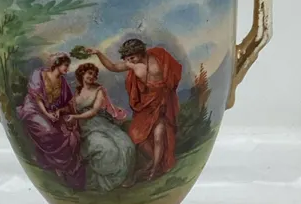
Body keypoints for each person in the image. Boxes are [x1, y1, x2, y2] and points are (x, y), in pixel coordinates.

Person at [87, 39, 182, 180]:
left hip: (162, 102)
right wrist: (98, 53)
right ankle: (155, 161)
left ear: (140, 52)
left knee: (159, 135)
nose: (129, 61)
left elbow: (172, 73)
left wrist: (165, 91)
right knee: (136, 135)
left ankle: (155, 168)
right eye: (127, 58)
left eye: (132, 57)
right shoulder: (133, 64)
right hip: (146, 105)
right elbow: (113, 67)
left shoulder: (158, 57)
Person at [17, 53, 84, 189]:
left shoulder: (63, 82)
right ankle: (52, 163)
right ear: (57, 64)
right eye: (65, 65)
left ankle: (64, 168)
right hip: (34, 109)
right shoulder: (39, 74)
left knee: (70, 134)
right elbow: (37, 98)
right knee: (48, 131)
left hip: (52, 112)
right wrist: (47, 113)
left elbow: (67, 103)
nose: (67, 69)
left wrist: (58, 111)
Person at [66, 64, 136, 191]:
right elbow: (69, 108)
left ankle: (124, 178)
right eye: (89, 73)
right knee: (108, 149)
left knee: (127, 145)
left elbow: (94, 111)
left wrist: (75, 116)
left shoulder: (99, 90)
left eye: (94, 75)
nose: (92, 76)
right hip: (87, 128)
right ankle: (102, 179)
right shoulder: (76, 93)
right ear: (82, 74)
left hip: (102, 124)